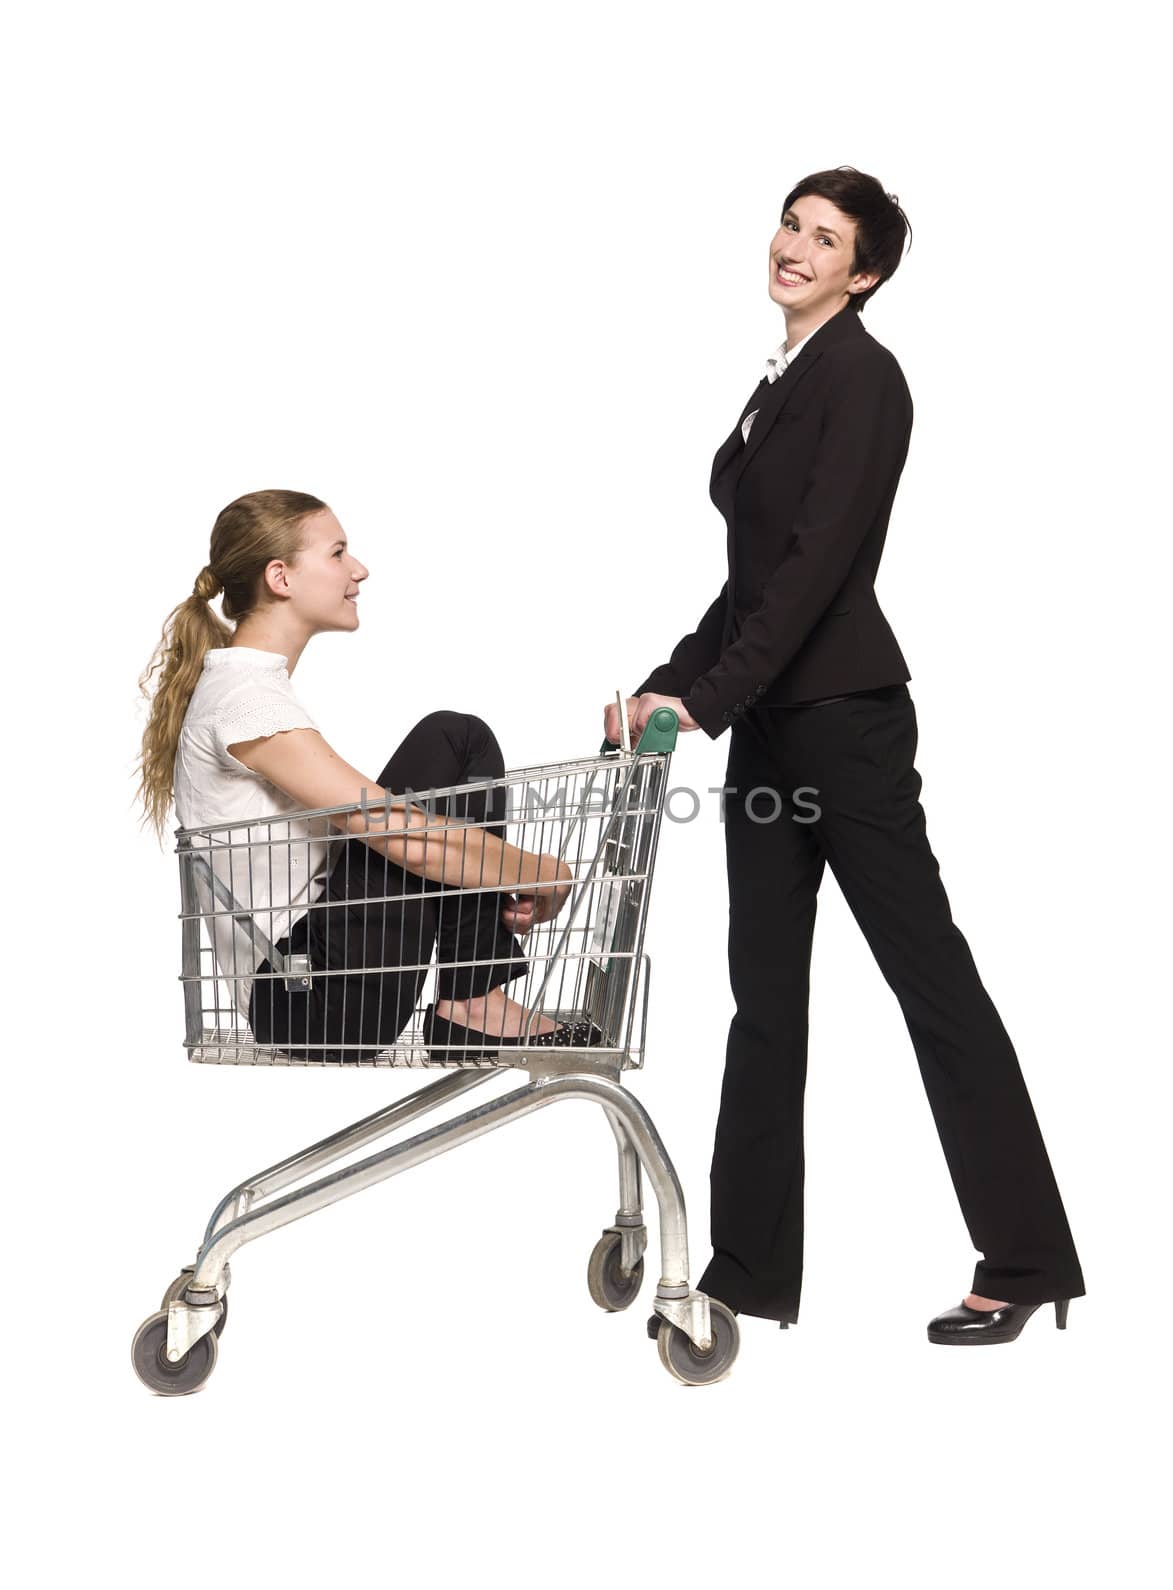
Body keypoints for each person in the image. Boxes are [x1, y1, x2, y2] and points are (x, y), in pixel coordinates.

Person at [607, 166, 1085, 1346]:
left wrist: (706, 704)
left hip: (845, 727)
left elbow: (819, 570)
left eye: (827, 239)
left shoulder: (865, 377)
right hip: (773, 724)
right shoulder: (785, 378)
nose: (796, 247)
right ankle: (746, 1269)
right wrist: (672, 681)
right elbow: (753, 580)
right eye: (792, 223)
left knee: (933, 982)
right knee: (762, 1001)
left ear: (862, 273)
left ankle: (1027, 1257)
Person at [137, 488, 601, 1063]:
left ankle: (475, 1000)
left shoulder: (249, 690)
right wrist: (548, 874)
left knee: (453, 746)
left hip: (314, 984)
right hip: (310, 997)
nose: (358, 569)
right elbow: (400, 835)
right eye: (337, 553)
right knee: (453, 739)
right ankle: (475, 1003)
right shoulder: (245, 701)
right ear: (280, 577)